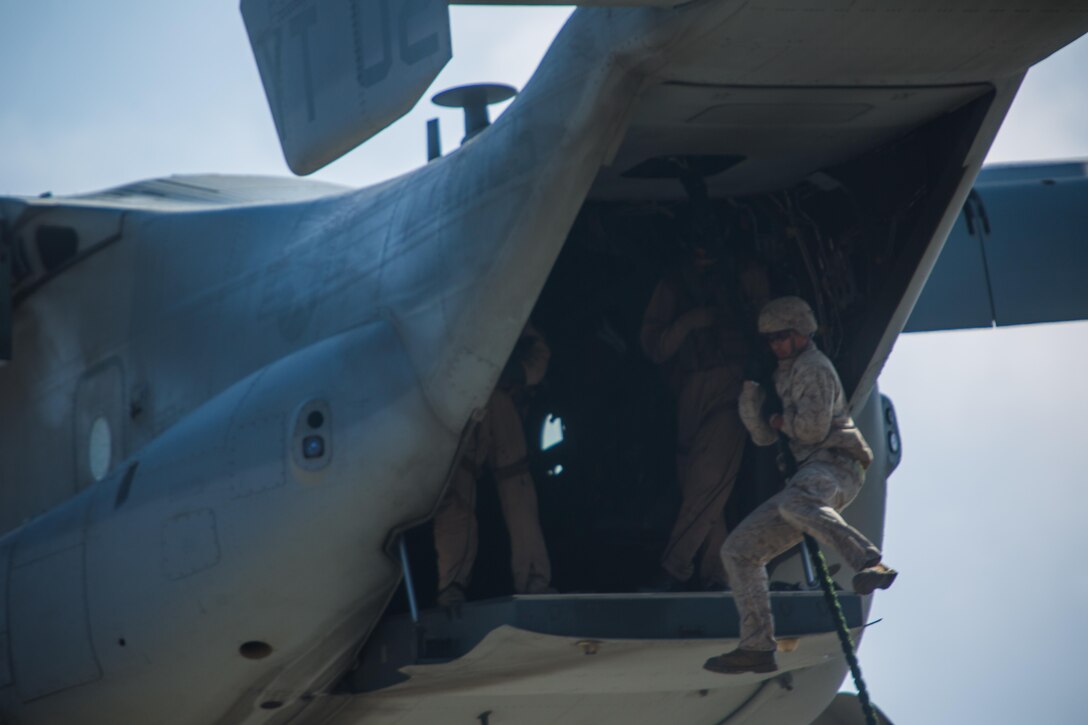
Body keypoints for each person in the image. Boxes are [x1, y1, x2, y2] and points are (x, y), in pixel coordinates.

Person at [704, 296, 897, 674]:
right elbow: (762, 439)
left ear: (801, 332)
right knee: (738, 551)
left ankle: (870, 563)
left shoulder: (813, 368)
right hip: (806, 476)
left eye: (782, 336)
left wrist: (780, 422)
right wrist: (750, 401)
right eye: (770, 338)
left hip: (834, 465)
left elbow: (811, 430)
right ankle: (757, 646)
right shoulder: (781, 374)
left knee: (796, 504)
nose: (776, 344)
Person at [640, 243, 767, 591]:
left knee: (708, 480)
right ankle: (718, 574)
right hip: (690, 391)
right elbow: (655, 348)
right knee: (698, 486)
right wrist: (688, 323)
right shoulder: (674, 285)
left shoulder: (745, 275)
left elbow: (766, 330)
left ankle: (674, 567)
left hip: (732, 385)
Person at [433, 323, 555, 606]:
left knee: (518, 491)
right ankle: (451, 585)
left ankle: (535, 582)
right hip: (467, 401)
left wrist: (509, 371)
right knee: (457, 496)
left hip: (501, 401)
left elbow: (537, 359)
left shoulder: (515, 317)